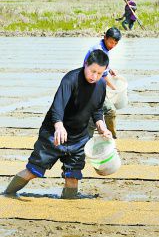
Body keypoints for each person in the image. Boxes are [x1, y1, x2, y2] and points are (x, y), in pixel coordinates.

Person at [2, 50, 112, 199]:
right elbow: (57, 106)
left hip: (79, 139)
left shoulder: (101, 86)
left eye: (99, 73)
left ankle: (69, 203)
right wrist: (59, 126)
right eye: (92, 71)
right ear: (85, 64)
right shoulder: (70, 80)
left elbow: (97, 110)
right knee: (33, 171)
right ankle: (7, 194)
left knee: (73, 177)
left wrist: (102, 127)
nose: (95, 76)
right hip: (53, 135)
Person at [84, 27, 121, 138]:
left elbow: (102, 66)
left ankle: (109, 136)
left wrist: (109, 68)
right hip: (91, 85)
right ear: (105, 38)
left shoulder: (103, 48)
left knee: (96, 114)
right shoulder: (98, 50)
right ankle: (111, 138)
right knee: (109, 111)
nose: (112, 46)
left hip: (95, 85)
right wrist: (115, 88)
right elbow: (103, 76)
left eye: (115, 43)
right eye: (111, 42)